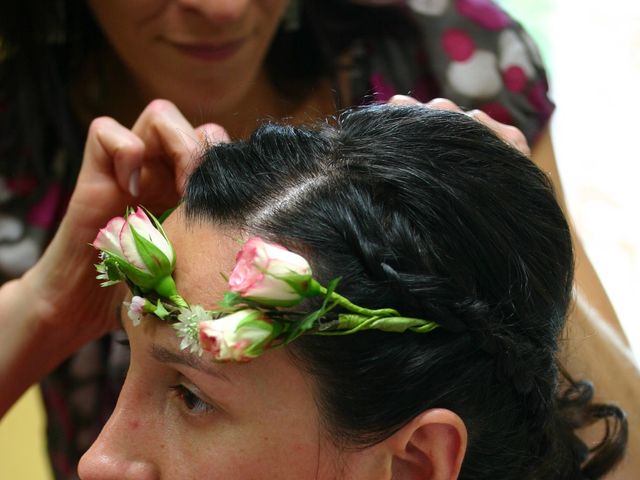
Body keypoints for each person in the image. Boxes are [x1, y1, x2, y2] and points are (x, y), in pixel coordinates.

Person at [0, 0, 637, 476]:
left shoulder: (441, 50)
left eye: (192, 397)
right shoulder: (20, 134)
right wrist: (46, 309)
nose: (222, 8)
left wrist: (516, 249)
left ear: (416, 463)